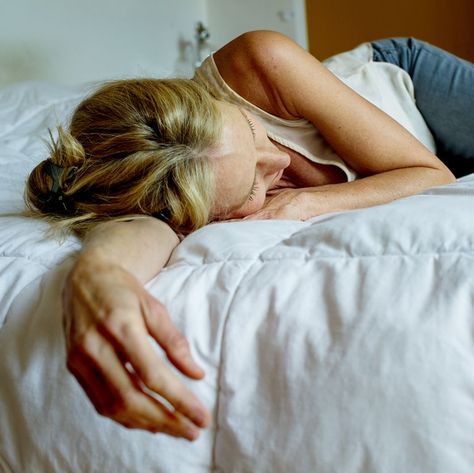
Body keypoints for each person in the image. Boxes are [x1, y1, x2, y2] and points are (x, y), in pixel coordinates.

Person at [25, 31, 473, 441]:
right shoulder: (183, 190)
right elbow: (142, 232)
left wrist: (303, 204)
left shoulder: (263, 60)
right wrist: (98, 273)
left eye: (255, 133)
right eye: (255, 184)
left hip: (410, 89)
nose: (277, 161)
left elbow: (431, 175)